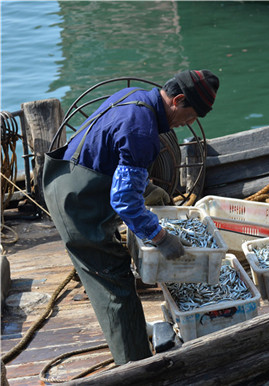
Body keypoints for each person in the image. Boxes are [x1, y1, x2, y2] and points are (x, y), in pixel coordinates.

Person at [42, 70, 219, 365]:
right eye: (191, 116)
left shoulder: (134, 97)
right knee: (115, 284)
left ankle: (135, 336)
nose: (189, 124)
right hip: (78, 205)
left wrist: (146, 188)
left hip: (64, 176)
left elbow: (110, 154)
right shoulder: (143, 133)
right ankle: (135, 367)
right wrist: (163, 238)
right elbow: (124, 201)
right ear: (178, 100)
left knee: (114, 273)